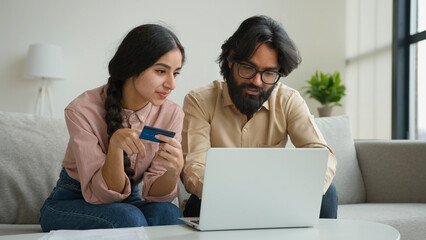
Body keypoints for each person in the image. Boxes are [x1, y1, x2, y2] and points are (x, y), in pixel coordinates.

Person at [181, 15, 338, 218]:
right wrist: (240, 197)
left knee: (328, 194)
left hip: (275, 198)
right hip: (219, 199)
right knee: (197, 205)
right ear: (230, 60)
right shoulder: (199, 101)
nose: (256, 81)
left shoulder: (288, 100)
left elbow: (321, 155)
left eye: (269, 73)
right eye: (248, 68)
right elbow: (194, 168)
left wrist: (291, 194)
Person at [40, 24, 186, 231]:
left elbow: (156, 196)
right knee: (128, 218)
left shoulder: (172, 114)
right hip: (71, 201)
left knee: (169, 214)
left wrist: (173, 171)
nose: (171, 84)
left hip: (129, 200)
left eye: (176, 73)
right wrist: (116, 148)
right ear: (132, 67)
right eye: (161, 71)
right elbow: (103, 195)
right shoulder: (81, 110)